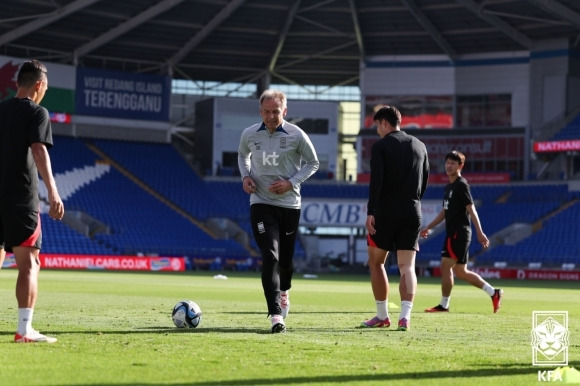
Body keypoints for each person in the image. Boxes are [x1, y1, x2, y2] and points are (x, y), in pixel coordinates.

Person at [238, 89, 319, 333]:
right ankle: (275, 314)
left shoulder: (297, 135)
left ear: (285, 111)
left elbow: (313, 163)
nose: (271, 116)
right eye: (267, 111)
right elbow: (243, 155)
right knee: (270, 256)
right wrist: (245, 177)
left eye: (276, 111)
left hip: (289, 205)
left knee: (285, 261)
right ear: (260, 111)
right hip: (261, 203)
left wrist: (291, 182)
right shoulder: (249, 134)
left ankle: (284, 292)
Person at [0, 59, 65, 343]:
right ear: (38, 85)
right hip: (20, 198)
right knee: (29, 263)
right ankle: (24, 329)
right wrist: (52, 191)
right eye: (45, 88)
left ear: (18, 83)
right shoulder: (37, 112)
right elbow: (38, 149)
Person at [361, 105, 429, 331]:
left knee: (376, 262)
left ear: (384, 123)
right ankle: (405, 317)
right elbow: (424, 181)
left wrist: (371, 211)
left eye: (377, 126)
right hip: (412, 210)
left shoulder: (381, 146)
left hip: (386, 211)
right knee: (407, 266)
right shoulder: (420, 145)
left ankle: (382, 316)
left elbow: (376, 182)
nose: (376, 130)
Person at [420, 151, 503, 313]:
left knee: (445, 266)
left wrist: (480, 232)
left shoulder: (461, 185)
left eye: (453, 163)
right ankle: (494, 293)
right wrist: (429, 227)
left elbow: (471, 209)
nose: (449, 166)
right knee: (461, 271)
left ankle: (444, 305)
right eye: (447, 162)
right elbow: (444, 211)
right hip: (454, 233)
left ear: (460, 166)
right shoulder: (449, 186)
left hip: (459, 233)